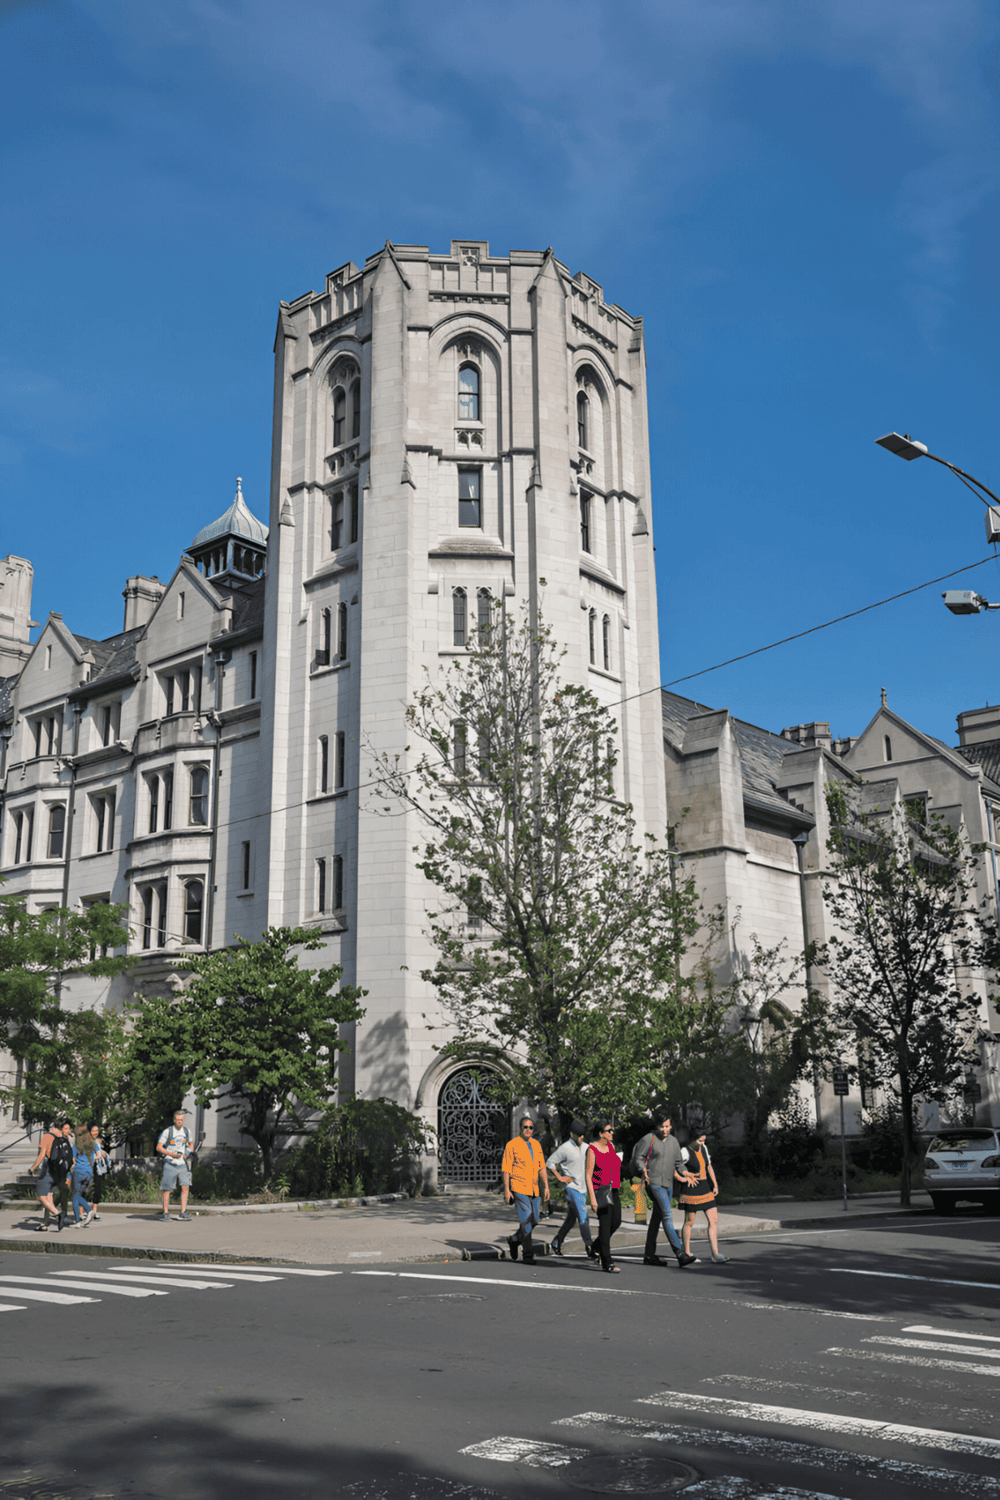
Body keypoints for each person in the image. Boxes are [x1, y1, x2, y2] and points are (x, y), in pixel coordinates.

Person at [632, 1113, 699, 1268]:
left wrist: (686, 1172)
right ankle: (680, 1253)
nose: (665, 1129)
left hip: (668, 1184)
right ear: (656, 1126)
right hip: (654, 1183)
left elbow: (678, 1163)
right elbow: (639, 1158)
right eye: (662, 1126)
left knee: (656, 1219)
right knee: (667, 1215)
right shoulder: (649, 1139)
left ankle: (649, 1255)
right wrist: (643, 1169)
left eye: (668, 1126)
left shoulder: (674, 1142)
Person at [501, 1114, 549, 1265]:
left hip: (534, 1188)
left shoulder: (536, 1144)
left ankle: (515, 1239)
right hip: (519, 1187)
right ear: (520, 1128)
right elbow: (506, 1169)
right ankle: (528, 1254)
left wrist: (546, 1186)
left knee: (535, 1219)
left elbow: (542, 1167)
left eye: (530, 1127)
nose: (528, 1130)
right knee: (526, 1220)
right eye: (525, 1127)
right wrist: (507, 1189)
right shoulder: (512, 1145)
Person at [546, 1118, 596, 1260]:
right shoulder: (565, 1148)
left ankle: (557, 1241)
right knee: (583, 1216)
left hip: (583, 1187)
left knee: (571, 1219)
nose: (581, 1138)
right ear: (572, 1134)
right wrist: (560, 1177)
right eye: (579, 1135)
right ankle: (590, 1246)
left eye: (582, 1136)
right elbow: (550, 1162)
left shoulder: (586, 1147)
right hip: (572, 1188)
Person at [679, 1126, 728, 1263]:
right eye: (699, 1141)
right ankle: (687, 1252)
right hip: (692, 1188)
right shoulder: (685, 1151)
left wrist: (715, 1183)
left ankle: (715, 1254)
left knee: (714, 1219)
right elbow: (676, 1166)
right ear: (693, 1139)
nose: (701, 1143)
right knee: (689, 1221)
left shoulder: (704, 1148)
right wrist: (684, 1178)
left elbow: (709, 1166)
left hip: (705, 1187)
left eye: (703, 1140)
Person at [586, 1120, 622, 1273]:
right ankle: (608, 1262)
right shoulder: (592, 1149)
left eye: (612, 1130)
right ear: (601, 1134)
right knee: (605, 1227)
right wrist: (592, 1198)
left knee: (616, 1221)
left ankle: (594, 1247)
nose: (612, 1133)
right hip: (601, 1191)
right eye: (609, 1130)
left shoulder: (611, 1147)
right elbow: (588, 1175)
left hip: (613, 1189)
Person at [30, 1121, 72, 1232]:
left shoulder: (47, 1137)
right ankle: (44, 1224)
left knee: (41, 1196)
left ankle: (58, 1214)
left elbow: (42, 1154)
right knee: (49, 1197)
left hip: (48, 1170)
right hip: (59, 1173)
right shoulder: (63, 1139)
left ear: (53, 1126)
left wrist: (33, 1167)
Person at [156, 1109, 194, 1221]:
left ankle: (183, 1212)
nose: (179, 1122)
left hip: (183, 1163)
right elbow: (159, 1147)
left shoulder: (187, 1132)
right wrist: (170, 1153)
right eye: (177, 1120)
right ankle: (166, 1212)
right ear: (174, 1120)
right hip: (170, 1162)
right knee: (167, 1189)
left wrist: (187, 1153)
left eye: (181, 1120)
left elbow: (191, 1144)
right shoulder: (168, 1132)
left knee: (185, 1187)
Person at [68, 1125, 96, 1228]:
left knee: (75, 1196)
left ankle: (79, 1220)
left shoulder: (76, 1146)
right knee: (79, 1195)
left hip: (79, 1171)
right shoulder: (92, 1146)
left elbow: (72, 1160)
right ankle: (87, 1212)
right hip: (89, 1172)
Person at [89, 1124, 110, 1220]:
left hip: (97, 1168)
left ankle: (94, 1211)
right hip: (88, 1167)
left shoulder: (97, 1142)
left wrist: (103, 1154)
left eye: (97, 1130)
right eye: (93, 1130)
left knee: (97, 1189)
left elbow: (98, 1152)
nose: (95, 1132)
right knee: (85, 1189)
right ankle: (81, 1212)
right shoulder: (87, 1141)